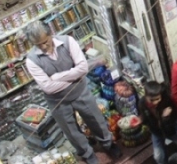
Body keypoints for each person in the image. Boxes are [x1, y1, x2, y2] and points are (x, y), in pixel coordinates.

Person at [24, 22, 121, 164]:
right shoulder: (31, 60)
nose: (43, 47)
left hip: (80, 91)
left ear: (51, 34)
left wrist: (56, 78)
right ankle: (88, 155)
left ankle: (108, 144)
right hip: (57, 101)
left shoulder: (67, 42)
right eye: (38, 45)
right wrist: (73, 77)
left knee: (96, 119)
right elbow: (48, 87)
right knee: (71, 131)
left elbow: (82, 69)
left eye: (45, 42)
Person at [138, 81, 177, 164]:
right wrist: (141, 120)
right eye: (151, 100)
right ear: (145, 96)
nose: (155, 102)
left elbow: (174, 118)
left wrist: (165, 117)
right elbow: (145, 119)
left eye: (157, 99)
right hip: (156, 132)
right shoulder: (142, 103)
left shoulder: (166, 100)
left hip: (171, 131)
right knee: (158, 157)